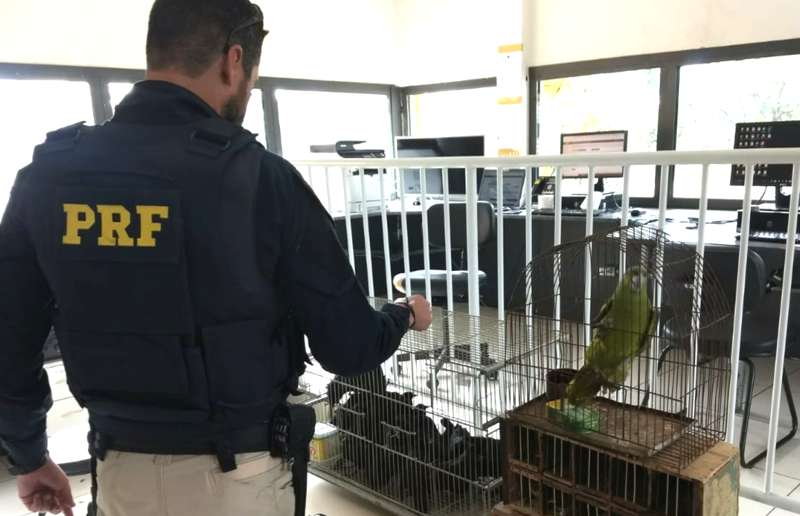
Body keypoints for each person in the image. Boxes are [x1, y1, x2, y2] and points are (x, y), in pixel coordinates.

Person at [0, 1, 432, 515]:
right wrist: (404, 314)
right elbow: (349, 346)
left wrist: (29, 456)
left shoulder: (46, 177)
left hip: (117, 472)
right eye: (251, 76)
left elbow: (8, 343)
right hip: (238, 476)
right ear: (233, 61)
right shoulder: (263, 179)